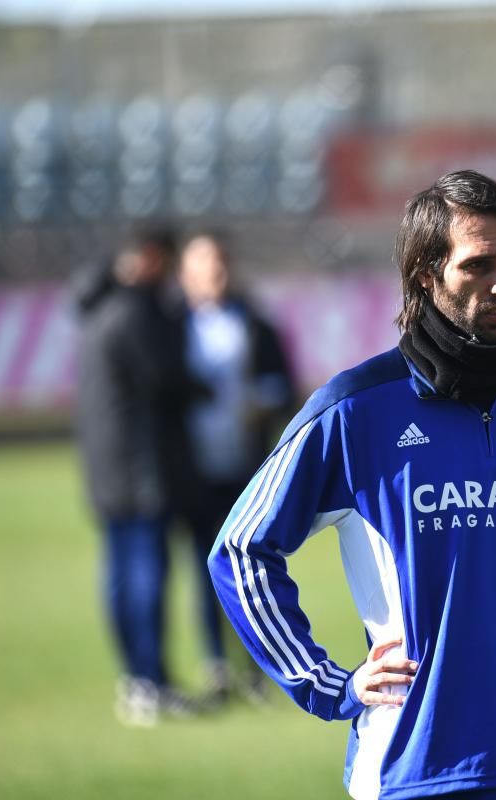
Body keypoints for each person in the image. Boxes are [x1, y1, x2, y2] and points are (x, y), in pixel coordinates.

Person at [209, 170, 496, 799]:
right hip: (412, 768)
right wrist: (324, 682)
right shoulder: (354, 409)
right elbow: (240, 550)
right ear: (426, 275)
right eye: (479, 265)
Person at [73, 226, 202, 726]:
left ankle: (136, 680)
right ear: (152, 258)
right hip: (141, 468)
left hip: (103, 468)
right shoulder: (137, 312)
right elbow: (166, 380)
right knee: (148, 576)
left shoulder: (96, 307)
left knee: (120, 576)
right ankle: (151, 682)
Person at [177, 232, 295, 703]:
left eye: (222, 261)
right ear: (187, 272)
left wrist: (261, 403)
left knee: (254, 570)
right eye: (204, 263)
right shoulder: (172, 329)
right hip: (194, 468)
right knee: (203, 567)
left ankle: (258, 667)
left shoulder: (257, 325)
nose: (216, 272)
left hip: (247, 468)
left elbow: (283, 386)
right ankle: (216, 665)